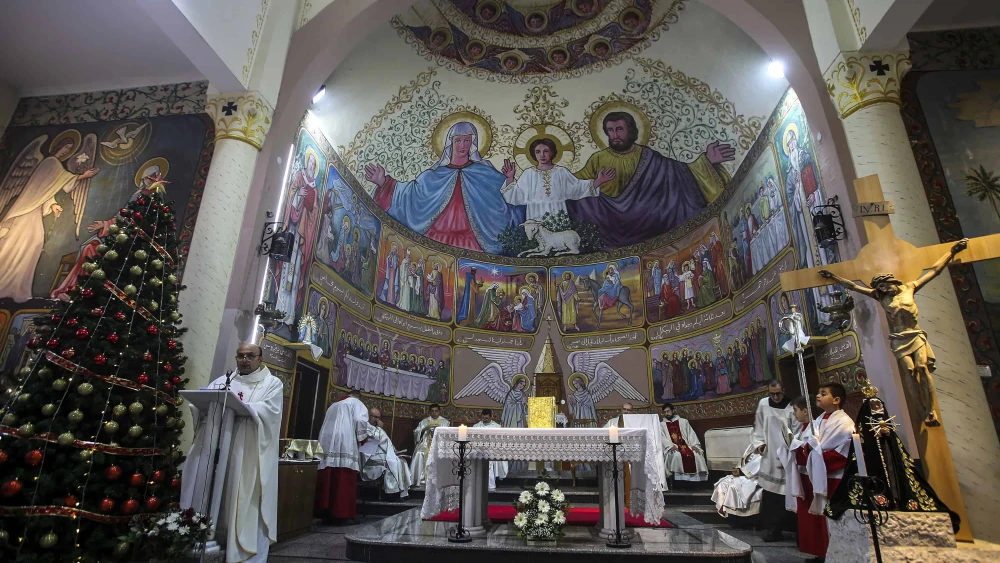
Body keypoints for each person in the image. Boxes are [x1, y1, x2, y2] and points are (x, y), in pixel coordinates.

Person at [818, 238, 968, 427]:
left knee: (922, 368)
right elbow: (854, 286)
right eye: (879, 287)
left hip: (915, 335)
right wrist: (833, 277)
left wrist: (952, 251)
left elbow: (934, 271)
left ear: (892, 282)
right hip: (898, 339)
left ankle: (930, 410)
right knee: (910, 371)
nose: (882, 289)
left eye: (884, 285)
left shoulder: (910, 288)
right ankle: (921, 410)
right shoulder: (881, 297)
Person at [565, 112, 734, 248]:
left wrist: (706, 160)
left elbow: (679, 173)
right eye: (610, 130)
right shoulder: (598, 158)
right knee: (579, 202)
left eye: (619, 129)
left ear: (630, 130)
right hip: (608, 219)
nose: (614, 135)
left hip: (645, 217)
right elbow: (574, 184)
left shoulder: (648, 156)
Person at [180, 344, 283, 563]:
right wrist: (199, 407)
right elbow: (203, 403)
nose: (245, 360)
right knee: (212, 491)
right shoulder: (222, 381)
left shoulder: (272, 383)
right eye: (241, 356)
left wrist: (247, 408)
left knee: (241, 496)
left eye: (250, 356)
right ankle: (205, 538)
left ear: (260, 359)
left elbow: (271, 412)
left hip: (246, 452)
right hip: (215, 448)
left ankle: (240, 552)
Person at [365, 122, 524, 253]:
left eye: (467, 140)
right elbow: (411, 194)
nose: (462, 145)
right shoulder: (433, 175)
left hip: (476, 240)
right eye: (458, 140)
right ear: (450, 143)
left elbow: (503, 199)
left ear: (472, 143)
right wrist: (383, 182)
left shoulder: (484, 171)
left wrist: (509, 179)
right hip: (437, 237)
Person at [826, 392, 958, 529]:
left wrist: (888, 434)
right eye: (873, 409)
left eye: (879, 409)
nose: (878, 417)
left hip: (889, 460)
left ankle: (897, 498)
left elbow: (897, 451)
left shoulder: (889, 434)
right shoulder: (863, 438)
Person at [791, 383, 853, 562]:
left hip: (833, 477)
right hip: (817, 473)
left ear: (836, 400)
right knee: (819, 519)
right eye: (818, 393)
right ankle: (822, 553)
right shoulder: (818, 419)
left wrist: (813, 455)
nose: (818, 396)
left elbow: (842, 451)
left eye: (823, 393)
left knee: (831, 519)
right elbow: (810, 443)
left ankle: (835, 555)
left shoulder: (844, 423)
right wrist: (805, 451)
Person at [500, 138, 613, 221]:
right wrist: (510, 178)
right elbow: (516, 195)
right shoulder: (528, 174)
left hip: (558, 213)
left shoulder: (561, 172)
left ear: (552, 152)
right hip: (535, 215)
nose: (542, 155)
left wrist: (599, 181)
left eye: (546, 151)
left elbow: (577, 188)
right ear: (533, 154)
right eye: (538, 151)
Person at [751, 379, 800, 542]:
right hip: (769, 454)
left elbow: (797, 430)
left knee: (786, 493)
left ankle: (792, 528)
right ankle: (772, 529)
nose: (776, 397)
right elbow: (758, 426)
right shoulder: (763, 404)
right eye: (772, 394)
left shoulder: (792, 407)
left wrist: (791, 450)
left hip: (787, 455)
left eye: (778, 393)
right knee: (771, 494)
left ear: (783, 390)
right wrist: (759, 444)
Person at [315, 389, 369, 523]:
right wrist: (364, 440)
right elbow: (360, 421)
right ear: (359, 397)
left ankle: (325, 513)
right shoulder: (357, 403)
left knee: (328, 475)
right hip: (345, 441)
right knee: (343, 476)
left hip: (327, 441)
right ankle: (341, 515)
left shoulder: (333, 406)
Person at [361, 407, 412, 498]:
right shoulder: (364, 426)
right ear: (368, 416)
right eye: (375, 417)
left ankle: (403, 492)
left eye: (378, 417)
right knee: (392, 462)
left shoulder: (376, 428)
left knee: (402, 461)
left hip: (379, 454)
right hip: (369, 456)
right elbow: (374, 442)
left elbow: (386, 442)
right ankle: (391, 493)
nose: (377, 420)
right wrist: (380, 428)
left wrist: (394, 451)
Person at [711, 444, 763, 518]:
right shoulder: (752, 446)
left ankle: (731, 510)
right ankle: (724, 508)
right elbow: (742, 463)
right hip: (745, 475)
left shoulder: (770, 449)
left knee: (733, 487)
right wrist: (738, 471)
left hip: (756, 478)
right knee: (722, 484)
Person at [660, 403, 708, 483]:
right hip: (673, 447)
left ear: (673, 411)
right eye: (664, 412)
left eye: (668, 411)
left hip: (687, 446)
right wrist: (670, 446)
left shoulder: (683, 421)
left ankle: (696, 483)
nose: (666, 414)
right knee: (676, 456)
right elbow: (662, 438)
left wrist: (694, 445)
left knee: (697, 455)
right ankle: (679, 482)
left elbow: (691, 434)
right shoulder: (661, 425)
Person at [410, 404, 450, 486]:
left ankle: (439, 479)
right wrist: (424, 429)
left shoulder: (445, 422)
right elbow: (416, 432)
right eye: (432, 411)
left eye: (436, 411)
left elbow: (448, 435)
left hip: (439, 444)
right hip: (426, 443)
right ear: (429, 412)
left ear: (439, 411)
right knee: (419, 453)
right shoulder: (424, 422)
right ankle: (420, 480)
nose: (434, 413)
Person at [473, 409, 508, 490]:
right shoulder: (476, 426)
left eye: (487, 418)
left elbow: (500, 441)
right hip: (480, 450)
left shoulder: (497, 427)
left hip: (492, 450)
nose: (484, 420)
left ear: (491, 417)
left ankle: (493, 482)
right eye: (483, 418)